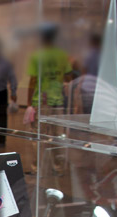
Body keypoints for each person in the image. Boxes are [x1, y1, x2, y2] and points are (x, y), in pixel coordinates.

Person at [26, 25, 73, 172]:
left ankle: (37, 167)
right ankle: (58, 167)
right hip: (57, 101)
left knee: (38, 135)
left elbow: (33, 80)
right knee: (57, 135)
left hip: (41, 101)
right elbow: (68, 76)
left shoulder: (37, 56)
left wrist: (29, 102)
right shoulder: (62, 55)